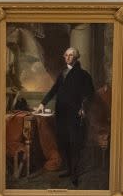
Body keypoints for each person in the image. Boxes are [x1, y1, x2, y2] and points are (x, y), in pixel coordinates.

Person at [35, 46, 94, 186]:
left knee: (74, 144)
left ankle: (74, 174)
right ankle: (68, 169)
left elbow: (90, 94)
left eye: (71, 55)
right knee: (63, 142)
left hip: (74, 114)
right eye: (66, 55)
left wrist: (83, 107)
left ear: (76, 57)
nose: (68, 57)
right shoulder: (62, 74)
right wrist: (43, 103)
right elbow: (53, 90)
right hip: (61, 113)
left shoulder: (83, 75)